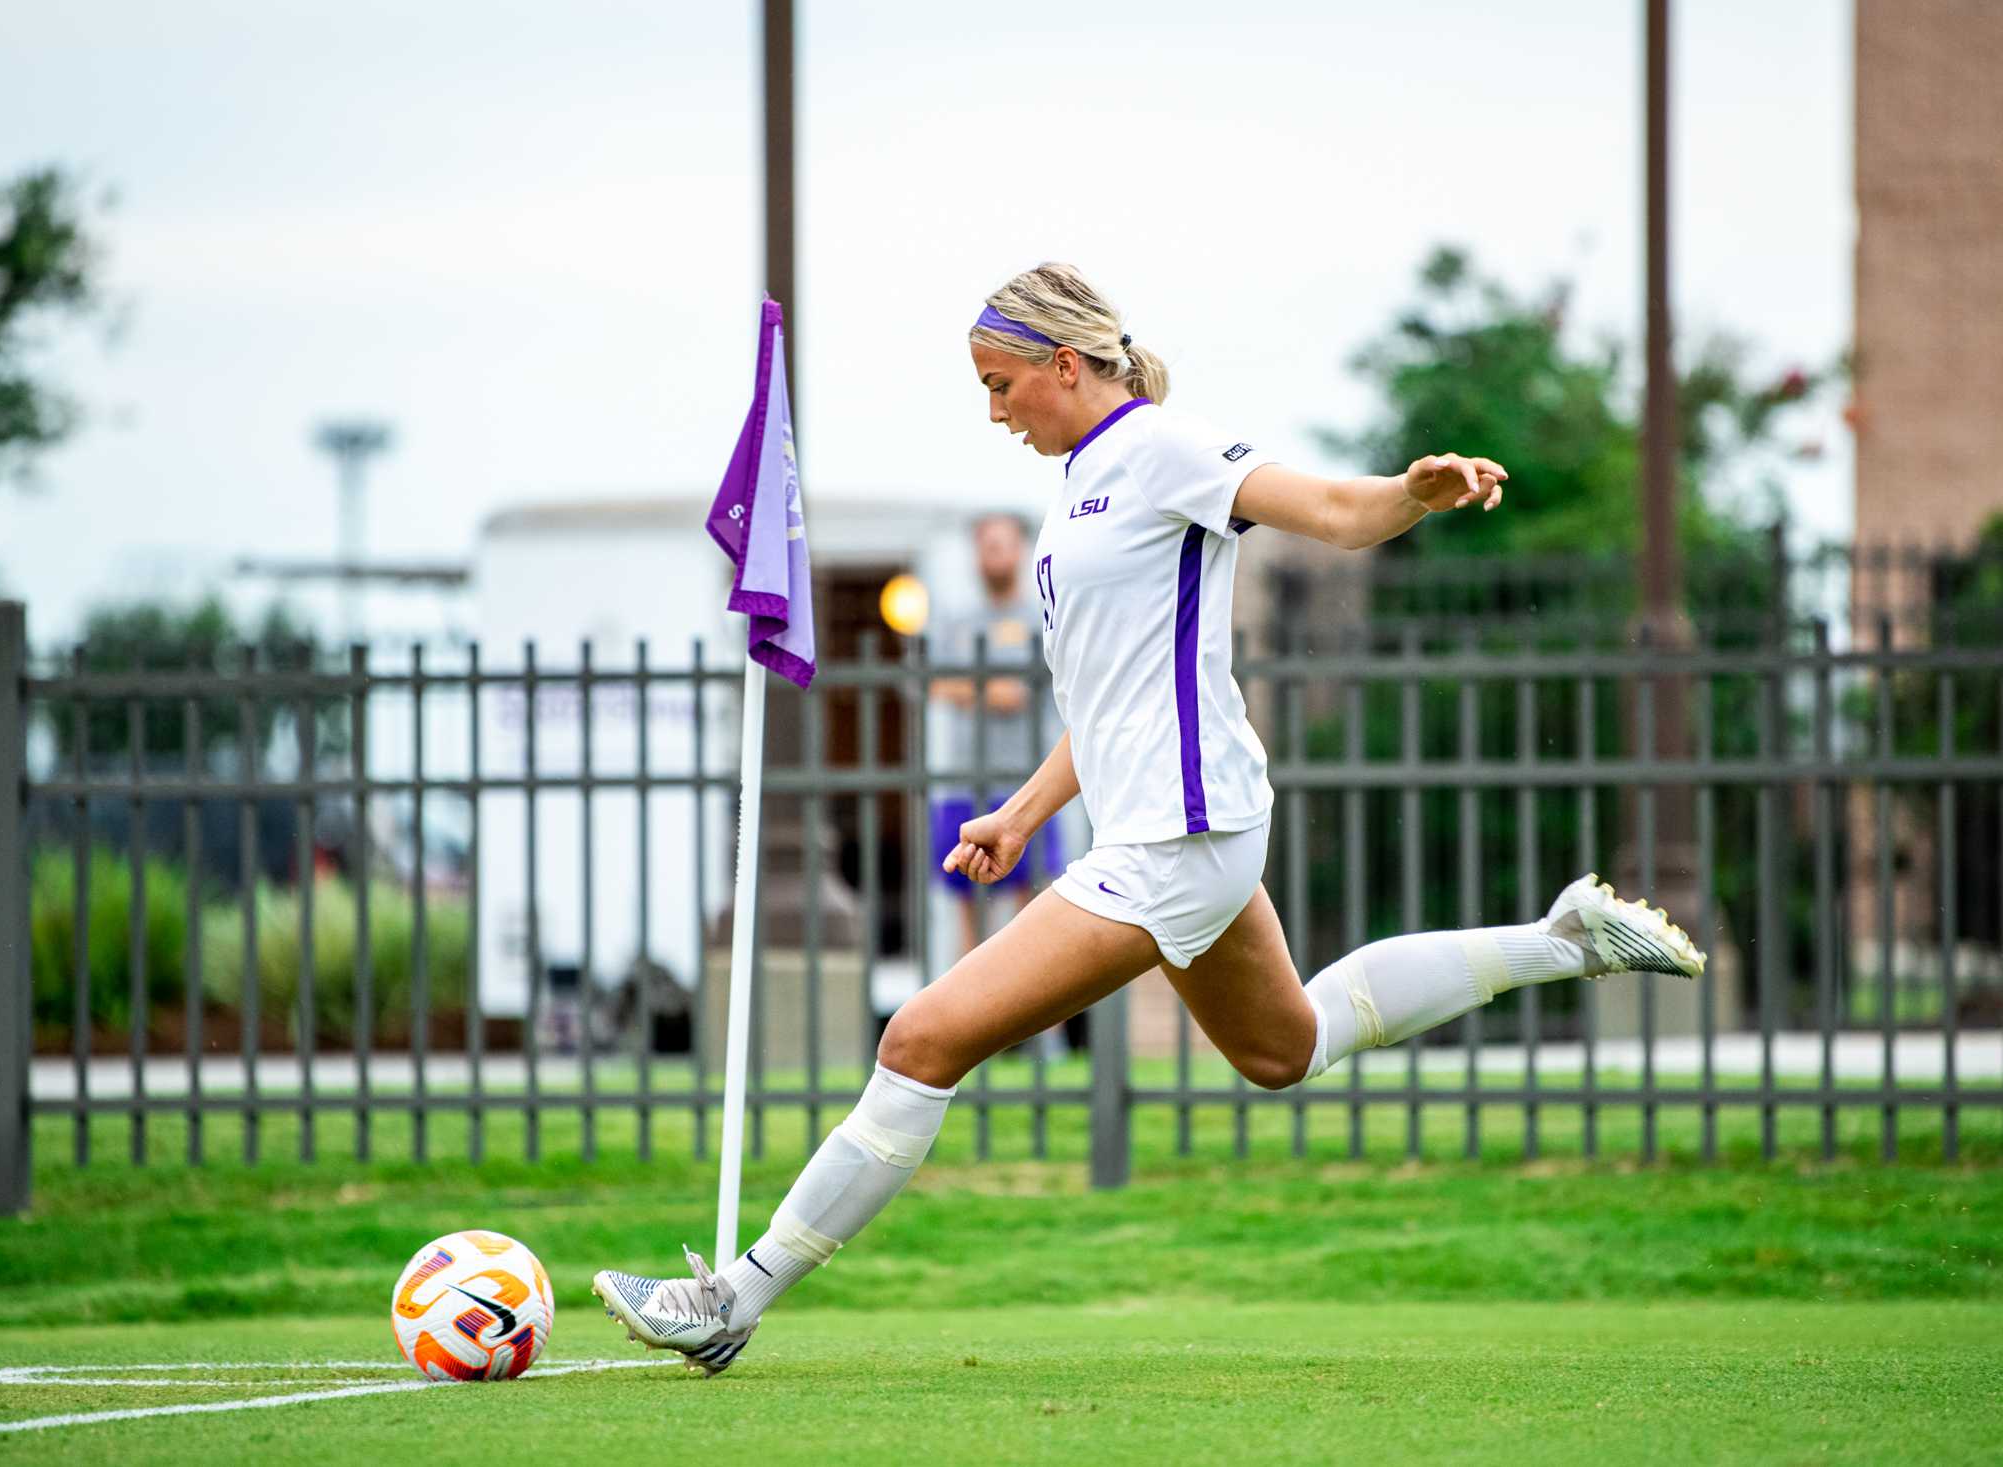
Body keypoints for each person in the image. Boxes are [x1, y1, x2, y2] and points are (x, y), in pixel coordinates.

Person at [594, 262, 1705, 1375]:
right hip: (1177, 833)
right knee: (1286, 1047)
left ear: (1063, 365)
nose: (993, 413)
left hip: (1180, 838)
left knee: (920, 1039)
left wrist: (1414, 490)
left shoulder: (1161, 448)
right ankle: (1560, 940)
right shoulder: (1079, 483)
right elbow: (1103, 699)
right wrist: (1022, 815)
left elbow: (1327, 510)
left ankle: (730, 1296)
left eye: (1000, 385)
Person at [925, 512, 1064, 953]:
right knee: (965, 894)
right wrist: (990, 689)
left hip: (1026, 779)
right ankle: (975, 1009)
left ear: (1020, 550)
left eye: (1001, 545)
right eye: (986, 546)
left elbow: (1020, 694)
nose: (993, 555)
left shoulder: (1039, 616)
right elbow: (934, 682)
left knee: (1030, 902)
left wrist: (966, 688)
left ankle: (1031, 1011)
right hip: (964, 779)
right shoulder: (958, 618)